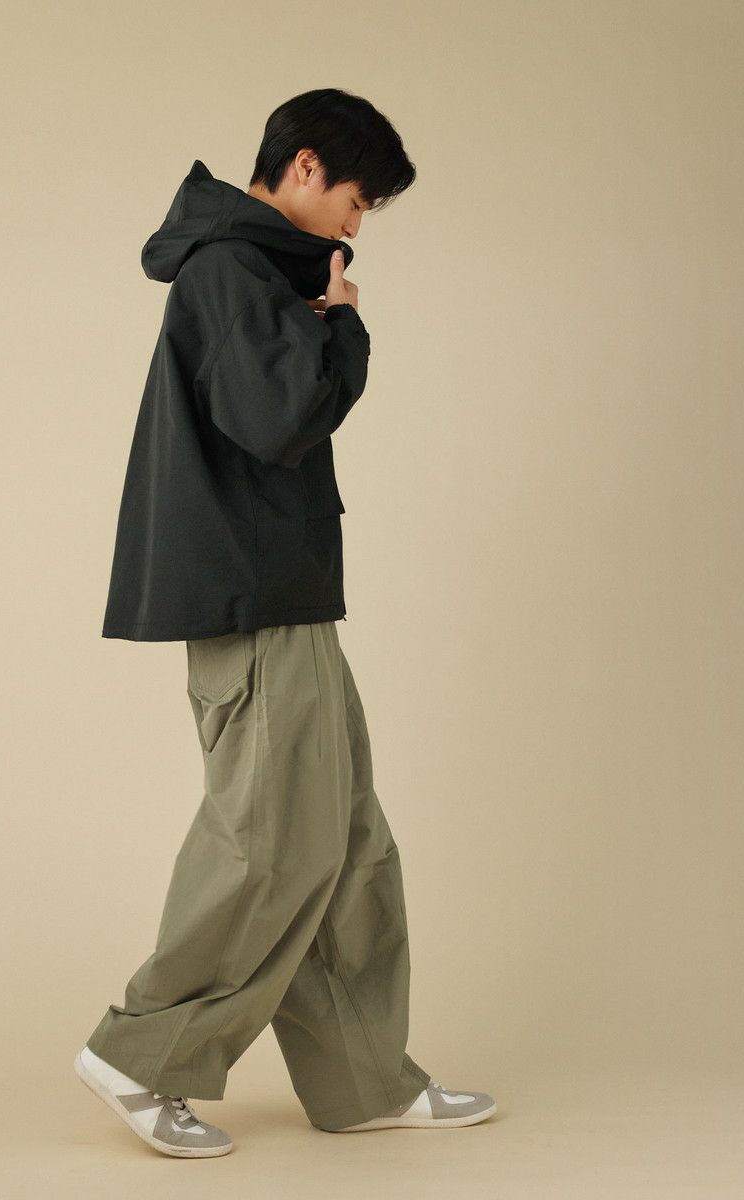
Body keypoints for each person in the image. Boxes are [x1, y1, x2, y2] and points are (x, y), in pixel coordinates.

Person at [74, 88, 496, 1158]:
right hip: (252, 596)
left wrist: (317, 317)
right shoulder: (230, 269)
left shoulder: (256, 273)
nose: (357, 225)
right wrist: (341, 326)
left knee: (344, 842)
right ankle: (141, 1055)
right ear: (304, 166)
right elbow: (282, 418)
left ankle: (361, 1078)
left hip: (283, 594)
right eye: (356, 199)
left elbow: (267, 414)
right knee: (268, 843)